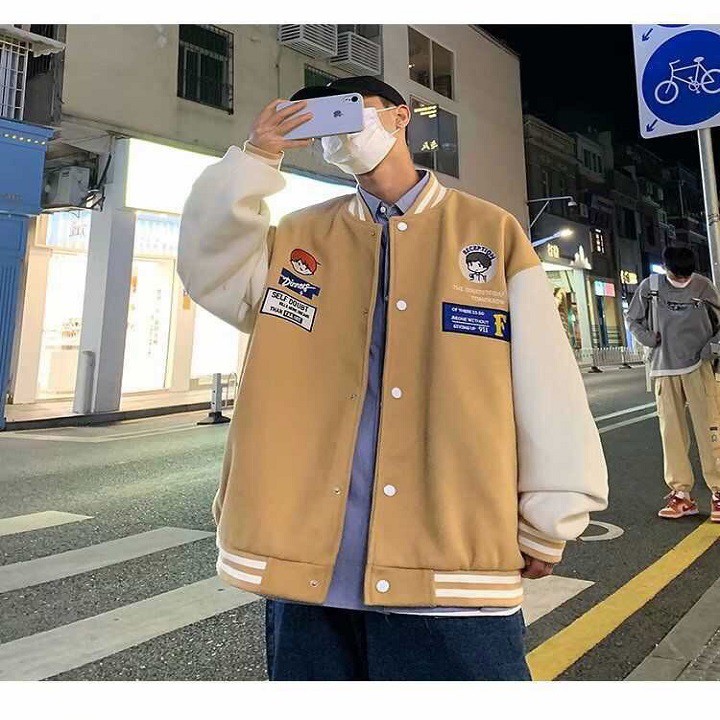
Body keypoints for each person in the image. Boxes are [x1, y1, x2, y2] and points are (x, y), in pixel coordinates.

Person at [178, 76, 608, 681]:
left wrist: (551, 513)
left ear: (402, 117)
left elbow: (547, 381)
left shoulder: (490, 232)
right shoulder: (299, 235)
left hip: (449, 561)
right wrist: (255, 159)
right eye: (320, 121)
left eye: (350, 110)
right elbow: (209, 268)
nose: (337, 132)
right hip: (310, 566)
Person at [627, 245, 720, 523]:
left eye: (686, 276)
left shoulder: (704, 286)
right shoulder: (650, 287)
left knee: (711, 428)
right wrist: (647, 338)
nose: (682, 280)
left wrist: (712, 347)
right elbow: (633, 319)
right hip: (664, 368)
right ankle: (681, 495)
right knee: (672, 434)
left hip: (699, 365)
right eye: (677, 276)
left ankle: (718, 491)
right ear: (666, 269)